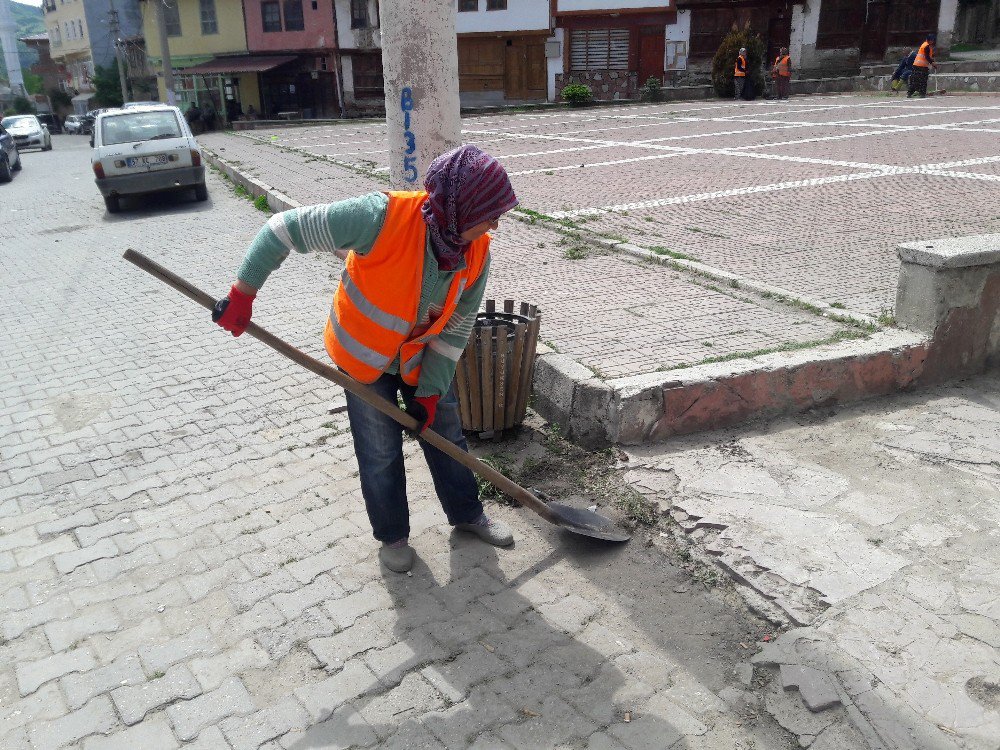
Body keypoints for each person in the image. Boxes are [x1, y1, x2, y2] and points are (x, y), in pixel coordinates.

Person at [213, 145, 520, 573]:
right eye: (489, 213)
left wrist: (430, 392)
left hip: (420, 359)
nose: (496, 223)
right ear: (460, 207)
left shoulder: (476, 250)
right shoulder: (380, 217)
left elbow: (454, 331)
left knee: (447, 434)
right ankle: (392, 536)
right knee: (379, 450)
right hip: (362, 358)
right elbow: (282, 228)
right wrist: (243, 293)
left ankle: (467, 514)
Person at [908, 33, 937, 98]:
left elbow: (928, 55)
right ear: (930, 40)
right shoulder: (927, 46)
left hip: (916, 65)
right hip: (922, 66)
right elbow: (927, 57)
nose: (933, 42)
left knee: (914, 79)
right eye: (933, 40)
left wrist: (932, 59)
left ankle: (910, 93)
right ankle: (922, 93)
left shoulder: (924, 45)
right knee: (923, 80)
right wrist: (933, 63)